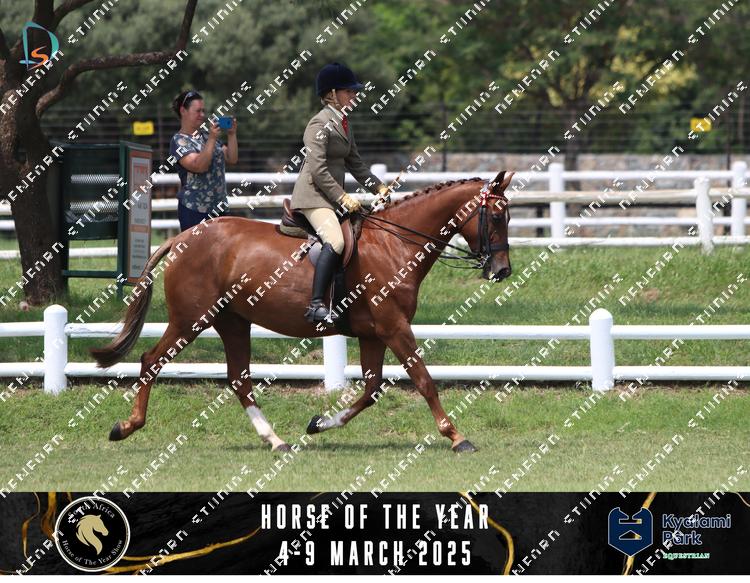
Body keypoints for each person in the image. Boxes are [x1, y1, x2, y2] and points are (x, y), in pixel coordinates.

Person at [291, 63, 391, 325]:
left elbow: (355, 163)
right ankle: (315, 305)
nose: (354, 96)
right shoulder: (318, 123)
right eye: (349, 91)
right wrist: (343, 197)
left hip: (330, 198)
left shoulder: (344, 123)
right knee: (335, 241)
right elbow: (317, 169)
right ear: (332, 94)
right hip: (313, 196)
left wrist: (378, 187)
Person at [169, 90, 238, 231]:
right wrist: (212, 139)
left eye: (203, 111)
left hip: (220, 209)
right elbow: (199, 166)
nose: (202, 115)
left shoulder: (208, 136)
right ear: (183, 111)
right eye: (198, 111)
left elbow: (232, 158)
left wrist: (232, 135)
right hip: (194, 211)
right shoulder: (178, 141)